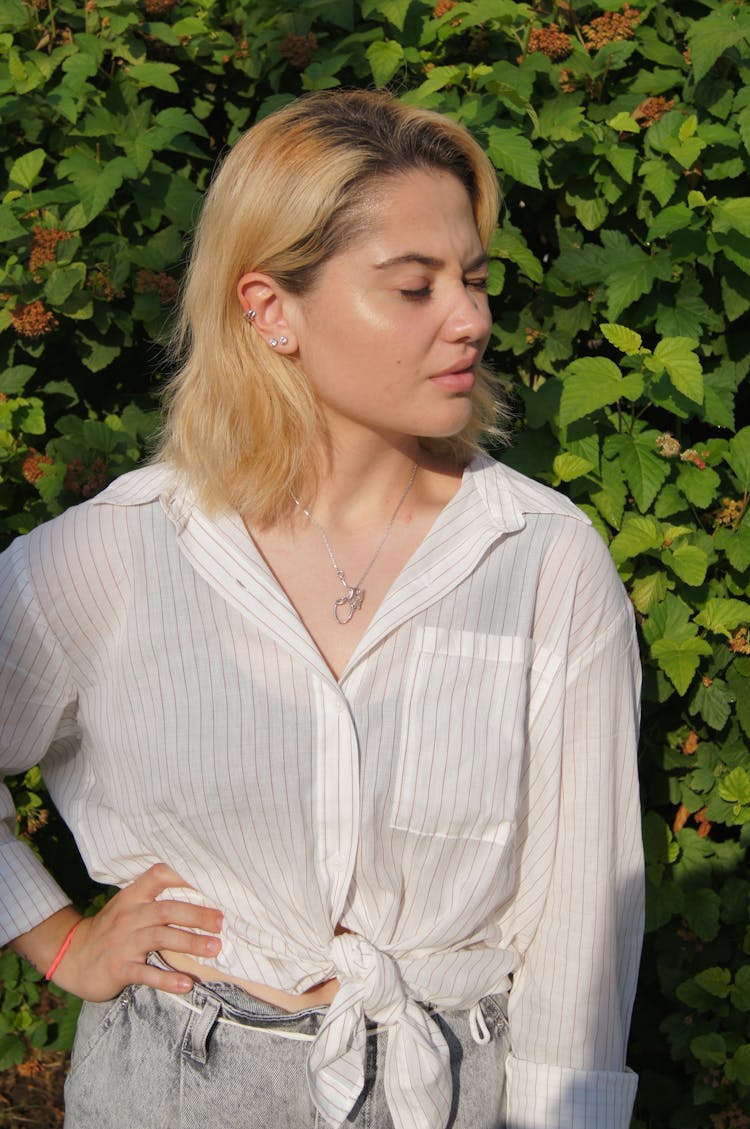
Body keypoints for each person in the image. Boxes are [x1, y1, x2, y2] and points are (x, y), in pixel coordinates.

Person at [0, 90, 643, 1129]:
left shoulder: (541, 559)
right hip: (173, 1088)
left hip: (447, 1091)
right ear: (270, 310)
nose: (470, 319)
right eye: (413, 286)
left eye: (473, 281)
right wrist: (58, 938)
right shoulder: (123, 550)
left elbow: (582, 928)